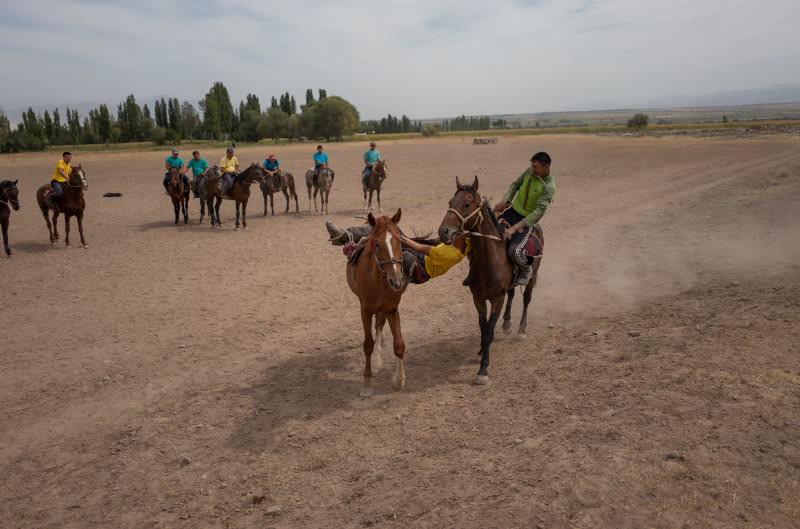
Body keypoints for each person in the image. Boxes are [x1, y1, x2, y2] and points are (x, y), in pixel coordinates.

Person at [325, 221, 471, 285]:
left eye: (456, 234)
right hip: (421, 256)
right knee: (389, 225)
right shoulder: (467, 243)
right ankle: (343, 236)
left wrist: (400, 237)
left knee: (401, 253)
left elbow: (419, 248)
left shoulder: (449, 254)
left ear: (461, 237)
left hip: (422, 270)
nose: (451, 235)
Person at [492, 151, 555, 286]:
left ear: (546, 167)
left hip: (526, 222)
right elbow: (515, 185)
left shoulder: (549, 187)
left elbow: (538, 212)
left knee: (514, 251)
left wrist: (514, 228)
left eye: (535, 167)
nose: (532, 170)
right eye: (532, 166)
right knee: (486, 235)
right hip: (511, 212)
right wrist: (505, 200)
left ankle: (526, 270)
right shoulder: (530, 171)